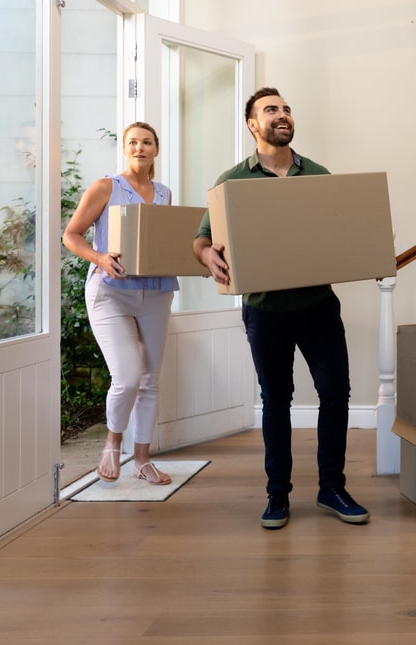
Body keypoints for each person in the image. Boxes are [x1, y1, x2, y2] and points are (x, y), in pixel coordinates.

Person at [192, 87, 369, 529]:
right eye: (271, 110)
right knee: (276, 400)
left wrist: (367, 252)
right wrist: (206, 255)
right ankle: (278, 496)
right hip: (265, 311)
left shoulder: (319, 174)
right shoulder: (232, 181)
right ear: (253, 125)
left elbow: (343, 231)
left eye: (287, 109)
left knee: (335, 395)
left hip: (318, 306)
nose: (283, 115)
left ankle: (332, 488)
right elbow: (201, 238)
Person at [62, 122, 178, 486]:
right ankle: (113, 444)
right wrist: (99, 258)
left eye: (147, 142)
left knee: (150, 380)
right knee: (127, 377)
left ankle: (142, 459)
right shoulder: (106, 187)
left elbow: (158, 244)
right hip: (110, 291)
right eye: (133, 142)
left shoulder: (163, 193)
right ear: (125, 149)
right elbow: (71, 235)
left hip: (156, 292)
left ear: (156, 149)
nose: (139, 148)